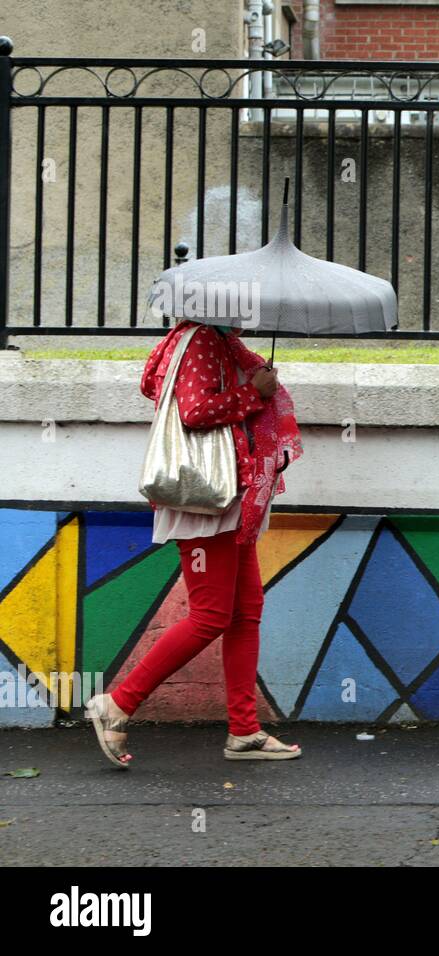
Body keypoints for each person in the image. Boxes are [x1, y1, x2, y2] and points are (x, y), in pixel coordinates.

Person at [86, 320, 304, 768]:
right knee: (211, 616)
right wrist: (255, 393)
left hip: (232, 497)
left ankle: (244, 732)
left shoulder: (225, 342)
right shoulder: (203, 340)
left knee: (246, 611)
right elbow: (195, 411)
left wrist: (258, 380)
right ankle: (118, 703)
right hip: (206, 501)